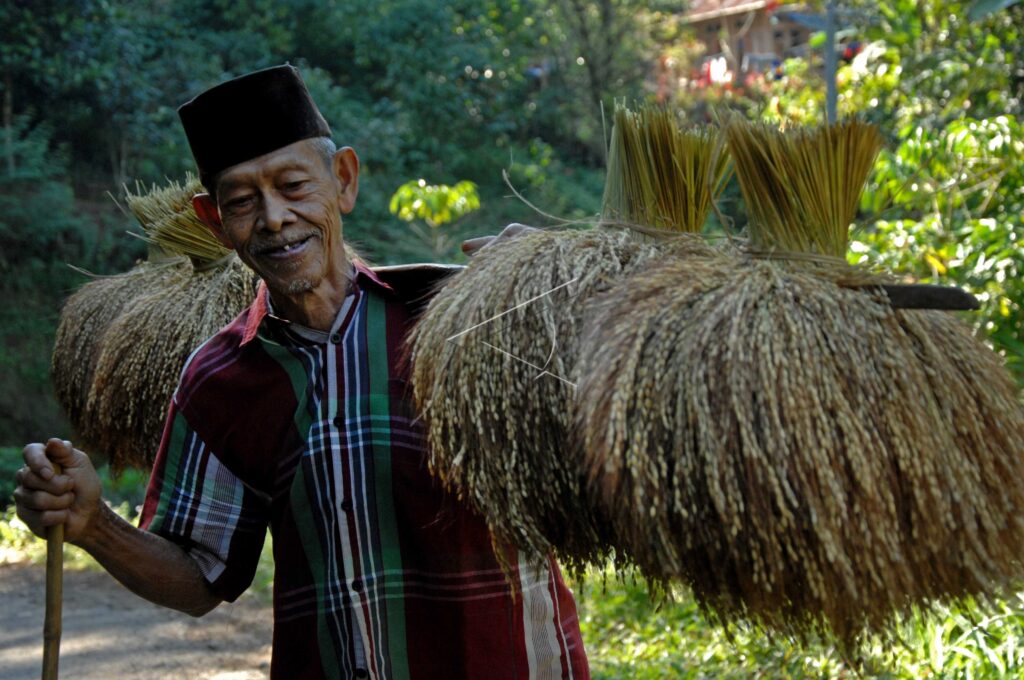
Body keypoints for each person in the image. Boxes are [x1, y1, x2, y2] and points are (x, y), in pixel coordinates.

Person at [13, 64, 589, 679]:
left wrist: (561, 287)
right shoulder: (220, 382)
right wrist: (94, 525)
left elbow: (603, 455)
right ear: (214, 222)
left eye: (293, 186)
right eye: (242, 202)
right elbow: (199, 575)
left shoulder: (464, 320)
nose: (274, 218)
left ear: (344, 180)